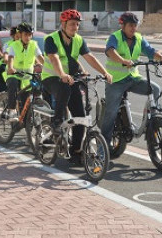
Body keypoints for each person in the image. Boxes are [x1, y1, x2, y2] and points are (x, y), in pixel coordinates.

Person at [41, 9, 112, 159]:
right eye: (72, 24)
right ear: (63, 24)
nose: (75, 27)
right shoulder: (51, 39)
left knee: (81, 115)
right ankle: (57, 122)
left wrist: (105, 72)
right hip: (51, 78)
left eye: (77, 24)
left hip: (70, 79)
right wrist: (62, 74)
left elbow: (89, 57)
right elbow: (54, 59)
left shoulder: (79, 40)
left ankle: (76, 151)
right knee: (64, 88)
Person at [101, 12, 162, 146]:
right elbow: (110, 51)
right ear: (123, 26)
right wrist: (123, 60)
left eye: (135, 25)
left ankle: (151, 120)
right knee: (111, 112)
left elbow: (150, 51)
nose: (133, 28)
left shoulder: (139, 38)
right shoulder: (115, 37)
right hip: (116, 81)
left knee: (155, 89)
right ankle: (103, 145)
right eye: (130, 25)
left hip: (133, 78)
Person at [4, 22, 44, 122]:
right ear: (20, 35)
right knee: (13, 85)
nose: (28, 37)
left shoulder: (34, 45)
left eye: (30, 35)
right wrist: (10, 68)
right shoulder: (14, 45)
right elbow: (11, 57)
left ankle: (25, 121)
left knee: (27, 100)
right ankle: (11, 110)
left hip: (27, 76)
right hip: (14, 74)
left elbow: (40, 58)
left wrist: (50, 68)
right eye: (25, 34)